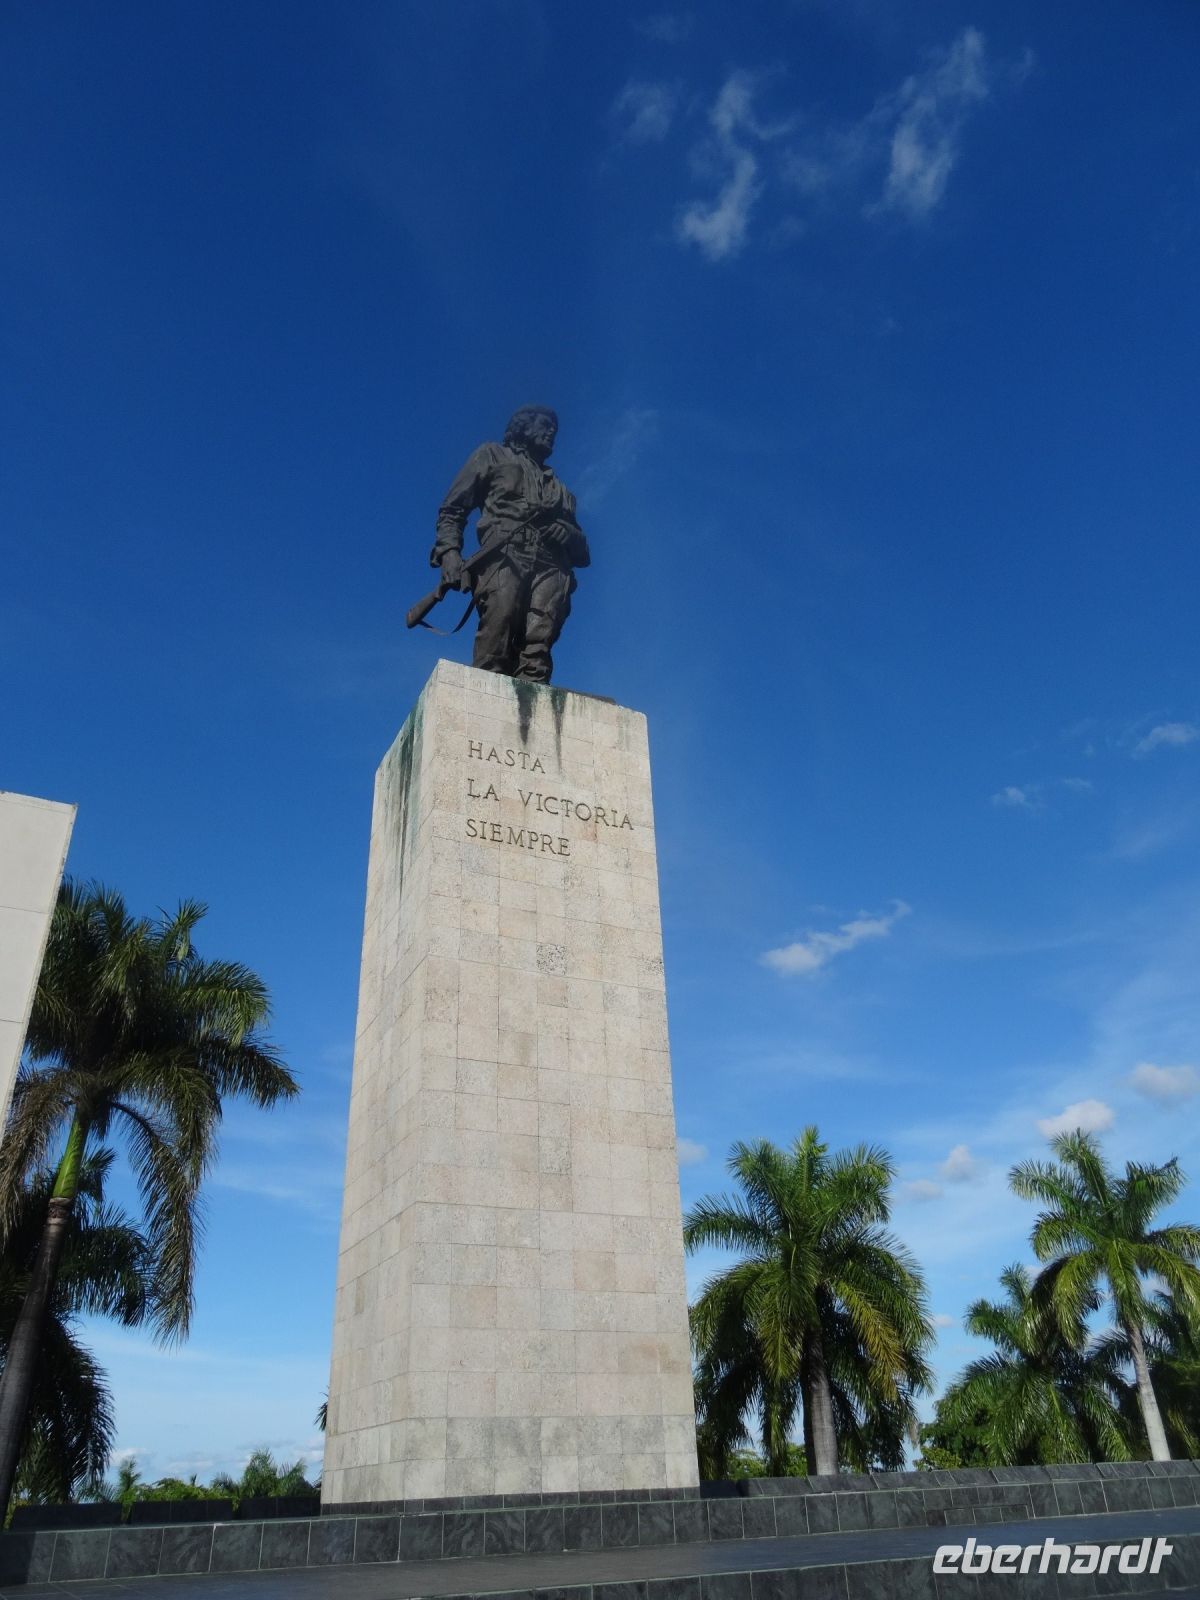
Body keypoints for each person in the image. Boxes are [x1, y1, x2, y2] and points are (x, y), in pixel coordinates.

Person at [431, 406, 590, 682]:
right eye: (544, 424)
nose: (551, 431)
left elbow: (583, 553)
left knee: (539, 645)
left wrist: (568, 534)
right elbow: (453, 509)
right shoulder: (491, 455)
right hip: (505, 555)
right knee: (497, 634)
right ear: (523, 427)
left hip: (552, 567)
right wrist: (449, 552)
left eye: (554, 428)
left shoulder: (561, 491)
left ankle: (534, 704)